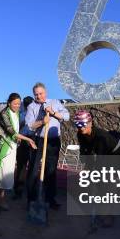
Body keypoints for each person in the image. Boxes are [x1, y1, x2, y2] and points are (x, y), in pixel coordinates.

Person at [74, 109, 120, 231]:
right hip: (104, 156)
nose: (80, 127)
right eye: (77, 124)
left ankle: (109, 215)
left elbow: (100, 162)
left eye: (83, 124)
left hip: (118, 156)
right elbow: (86, 153)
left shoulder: (101, 137)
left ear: (90, 123)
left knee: (107, 184)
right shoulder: (80, 134)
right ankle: (102, 210)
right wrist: (87, 169)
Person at [24, 82, 70, 210]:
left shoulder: (55, 102)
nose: (39, 96)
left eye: (41, 93)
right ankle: (31, 200)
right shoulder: (32, 107)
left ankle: (50, 198)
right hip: (38, 140)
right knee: (33, 170)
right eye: (36, 94)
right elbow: (29, 127)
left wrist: (53, 113)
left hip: (53, 141)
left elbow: (67, 116)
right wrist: (41, 122)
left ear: (46, 92)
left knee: (51, 171)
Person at [0, 93, 37, 210]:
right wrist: (28, 139)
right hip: (4, 146)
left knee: (7, 173)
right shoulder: (4, 113)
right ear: (9, 102)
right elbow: (12, 131)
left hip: (12, 146)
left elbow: (19, 129)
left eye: (18, 103)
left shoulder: (17, 113)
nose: (17, 106)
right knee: (0, 172)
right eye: (15, 103)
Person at [12, 96, 34, 200]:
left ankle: (21, 190)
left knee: (23, 167)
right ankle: (20, 191)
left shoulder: (22, 114)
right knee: (24, 167)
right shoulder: (22, 115)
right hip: (25, 141)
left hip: (29, 141)